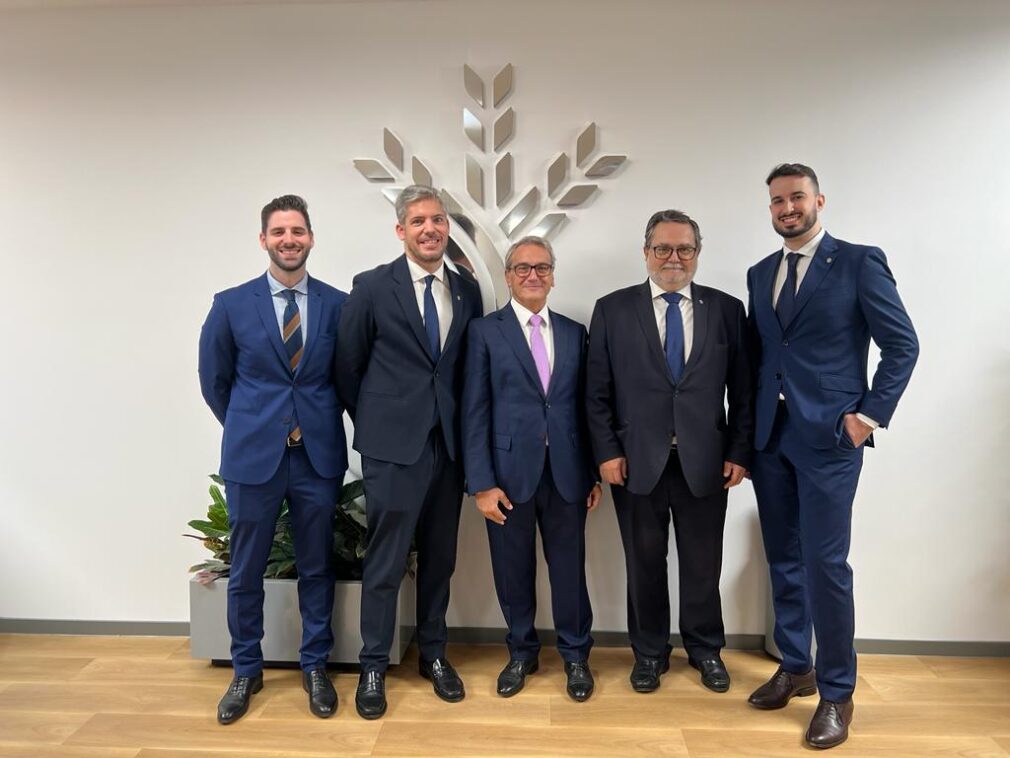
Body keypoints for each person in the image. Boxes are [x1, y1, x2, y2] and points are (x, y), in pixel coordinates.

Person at [746, 163, 918, 749]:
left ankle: (838, 693)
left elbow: (902, 344)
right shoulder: (759, 272)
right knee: (783, 560)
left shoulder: (857, 261)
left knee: (826, 565)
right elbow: (765, 355)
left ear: (819, 200)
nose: (787, 209)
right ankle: (797, 666)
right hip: (772, 438)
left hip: (830, 440)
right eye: (777, 201)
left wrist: (866, 417)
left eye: (796, 198)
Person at [586, 210, 753, 695]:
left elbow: (743, 391)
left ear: (697, 254)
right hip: (636, 462)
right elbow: (596, 392)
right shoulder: (613, 309)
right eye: (663, 248)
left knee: (703, 563)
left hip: (707, 461)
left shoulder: (726, 309)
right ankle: (650, 654)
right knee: (644, 562)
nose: (673, 258)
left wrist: (740, 450)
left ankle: (706, 650)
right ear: (646, 253)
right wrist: (607, 453)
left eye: (684, 249)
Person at [198, 194, 348, 724]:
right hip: (253, 457)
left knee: (316, 567)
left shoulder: (337, 304)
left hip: (317, 457)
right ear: (263, 239)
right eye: (279, 231)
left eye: (298, 231)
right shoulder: (230, 304)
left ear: (311, 237)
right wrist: (253, 425)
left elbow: (344, 379)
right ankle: (246, 669)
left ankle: (315, 666)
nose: (290, 240)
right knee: (245, 570)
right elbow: (214, 382)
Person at [336, 184, 482, 719]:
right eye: (418, 221)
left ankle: (434, 654)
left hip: (448, 447)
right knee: (386, 559)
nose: (429, 229)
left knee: (441, 558)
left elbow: (463, 369)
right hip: (392, 447)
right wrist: (379, 421)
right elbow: (347, 368)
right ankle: (373, 663)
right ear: (401, 230)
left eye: (438, 220)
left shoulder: (467, 290)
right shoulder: (373, 287)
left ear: (448, 228)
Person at [461, 236, 602, 702]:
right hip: (506, 477)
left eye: (542, 267)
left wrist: (592, 474)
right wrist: (481, 483)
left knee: (569, 570)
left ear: (553, 274)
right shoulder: (485, 332)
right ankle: (521, 652)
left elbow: (584, 409)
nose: (533, 275)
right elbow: (474, 411)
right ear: (508, 276)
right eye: (522, 268)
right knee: (512, 570)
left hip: (566, 474)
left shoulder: (573, 331)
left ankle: (576, 655)